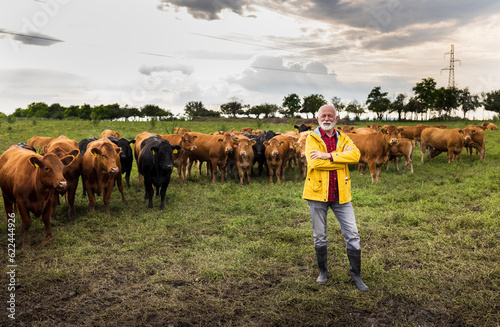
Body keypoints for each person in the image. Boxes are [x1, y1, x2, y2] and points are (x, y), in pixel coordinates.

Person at [302, 105, 369, 291]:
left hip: (341, 195)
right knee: (320, 237)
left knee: (353, 235)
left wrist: (328, 156)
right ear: (317, 118)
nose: (326, 118)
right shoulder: (311, 138)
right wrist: (340, 160)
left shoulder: (344, 137)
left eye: (330, 115)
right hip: (317, 194)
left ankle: (356, 275)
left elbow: (355, 156)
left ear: (336, 118)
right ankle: (323, 271)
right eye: (323, 115)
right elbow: (314, 163)